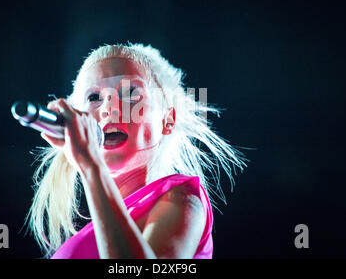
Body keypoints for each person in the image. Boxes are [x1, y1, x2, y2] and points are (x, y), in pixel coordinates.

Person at [27, 43, 246, 258]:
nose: (108, 109)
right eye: (94, 98)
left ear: (168, 120)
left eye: (130, 94)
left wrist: (91, 167)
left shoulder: (182, 200)